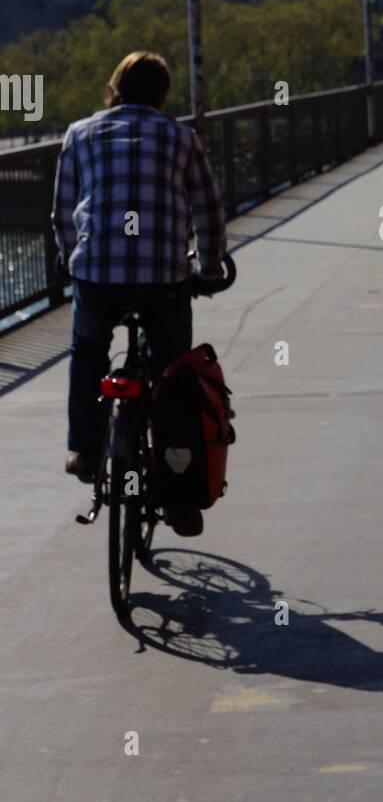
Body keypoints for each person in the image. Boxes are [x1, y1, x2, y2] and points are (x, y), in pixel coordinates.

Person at [52, 51, 227, 537]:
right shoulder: (182, 137)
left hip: (97, 277)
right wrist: (208, 269)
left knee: (87, 352)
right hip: (164, 280)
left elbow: (64, 213)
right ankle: (178, 492)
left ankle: (82, 449)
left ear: (115, 88)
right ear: (162, 94)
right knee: (174, 376)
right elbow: (209, 213)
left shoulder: (79, 134)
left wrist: (76, 263)